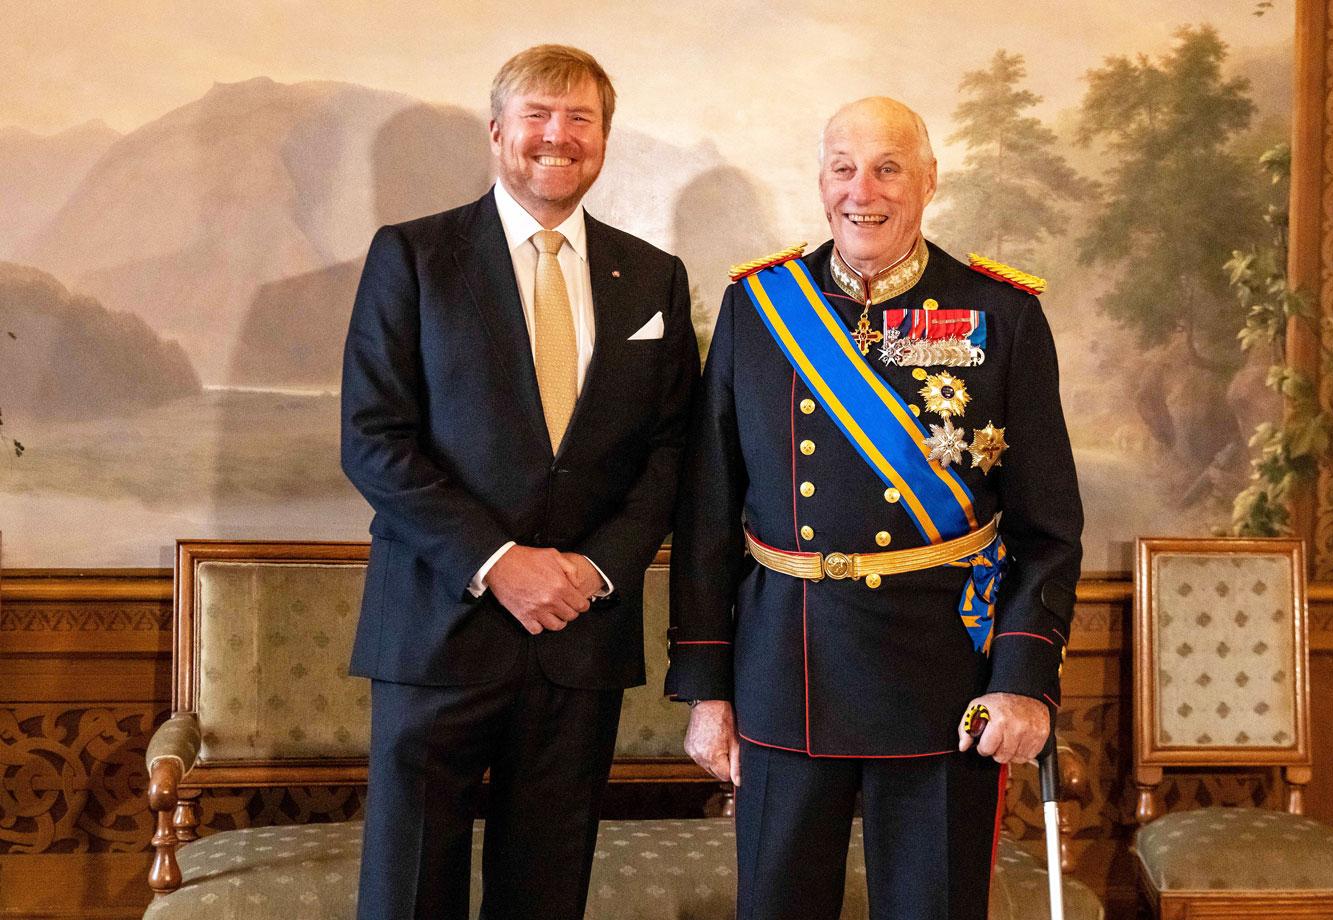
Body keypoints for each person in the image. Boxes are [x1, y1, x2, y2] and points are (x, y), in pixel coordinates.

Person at [666, 96, 1083, 920]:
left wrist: (1025, 680)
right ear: (822, 181)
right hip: (788, 670)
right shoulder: (758, 309)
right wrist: (707, 687)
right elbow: (708, 513)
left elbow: (1047, 529)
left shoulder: (1004, 316)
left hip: (942, 679)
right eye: (845, 168)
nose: (865, 191)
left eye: (889, 168)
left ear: (928, 182)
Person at [341, 44, 698, 920]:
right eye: (538, 114)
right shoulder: (414, 257)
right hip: (437, 629)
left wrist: (596, 569)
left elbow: (672, 453)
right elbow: (374, 440)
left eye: (580, 119)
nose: (557, 135)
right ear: (497, 131)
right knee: (410, 888)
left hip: (580, 634)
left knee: (546, 889)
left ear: (605, 141)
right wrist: (501, 561)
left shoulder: (653, 277)